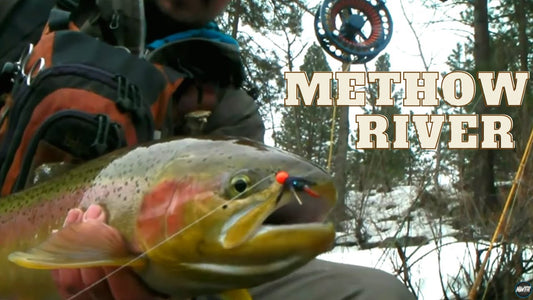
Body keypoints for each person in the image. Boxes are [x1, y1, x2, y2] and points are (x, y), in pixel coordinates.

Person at [2, 0, 417, 299]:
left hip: (180, 275)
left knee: (378, 294)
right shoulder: (30, 12)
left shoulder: (230, 103)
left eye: (239, 186)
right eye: (238, 186)